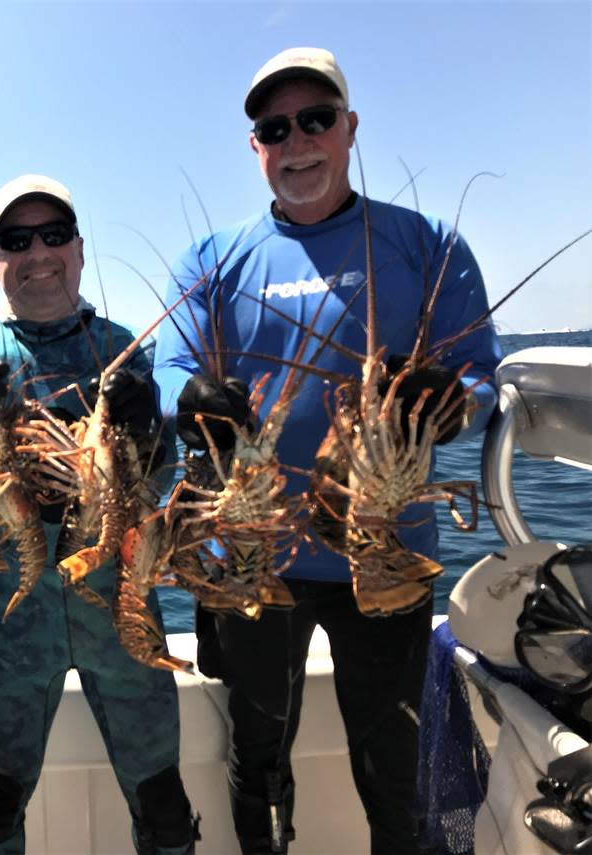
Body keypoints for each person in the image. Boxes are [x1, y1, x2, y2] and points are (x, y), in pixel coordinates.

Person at [152, 48, 503, 853]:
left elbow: (481, 373)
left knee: (396, 767)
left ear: (350, 128)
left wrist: (455, 404)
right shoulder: (212, 259)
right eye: (275, 128)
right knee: (258, 760)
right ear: (256, 146)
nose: (297, 141)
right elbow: (172, 366)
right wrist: (189, 399)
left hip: (388, 558)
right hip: (253, 556)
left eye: (316, 120)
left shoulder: (428, 242)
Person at [0, 174, 200, 855]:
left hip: (121, 611)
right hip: (10, 622)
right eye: (16, 240)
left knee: (164, 805)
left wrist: (149, 432)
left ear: (79, 249)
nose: (39, 252)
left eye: (55, 235)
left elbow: (161, 484)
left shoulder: (123, 346)